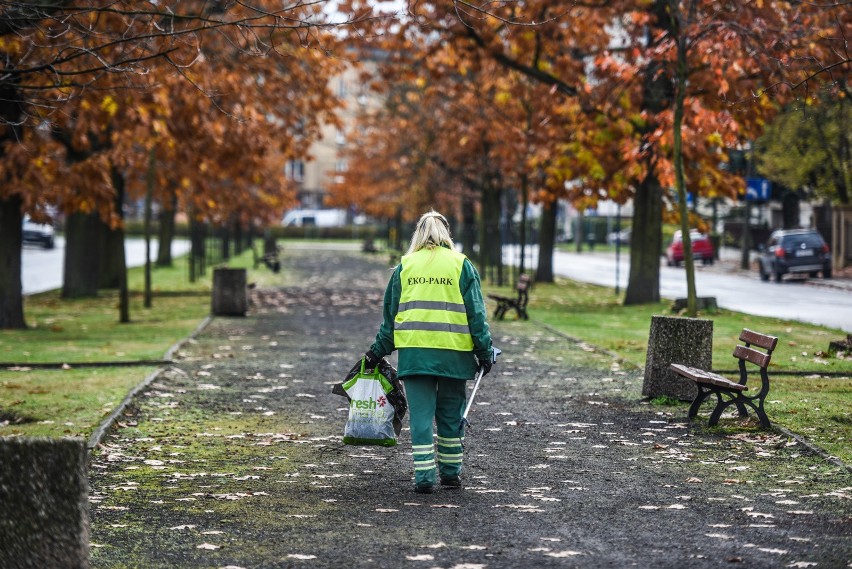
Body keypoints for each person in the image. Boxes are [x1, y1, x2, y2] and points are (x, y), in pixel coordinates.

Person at [364, 210, 493, 494]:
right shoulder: (462, 266)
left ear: (418, 234)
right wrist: (484, 352)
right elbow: (476, 315)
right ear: (447, 233)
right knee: (450, 414)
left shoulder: (405, 267)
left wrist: (376, 353)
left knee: (421, 417)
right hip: (454, 355)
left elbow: (391, 320)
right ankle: (450, 473)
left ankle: (424, 476)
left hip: (416, 354)